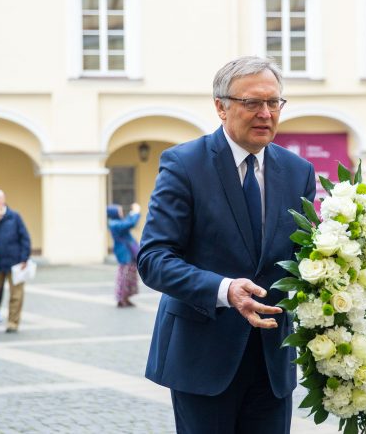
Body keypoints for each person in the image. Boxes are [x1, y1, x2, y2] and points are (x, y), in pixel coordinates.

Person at [138, 56, 316, 434]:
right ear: (221, 107)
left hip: (273, 360)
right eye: (252, 103)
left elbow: (304, 259)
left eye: (274, 102)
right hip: (202, 356)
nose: (265, 113)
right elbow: (154, 259)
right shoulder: (184, 164)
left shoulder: (299, 171)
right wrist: (225, 290)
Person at [0, 189, 31, 333]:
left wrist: (24, 258)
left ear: (4, 199)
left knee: (16, 295)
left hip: (15, 262)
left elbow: (25, 238)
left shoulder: (14, 216)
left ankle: (13, 324)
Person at [107, 202, 141, 308]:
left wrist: (132, 213)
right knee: (125, 277)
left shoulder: (116, 222)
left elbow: (127, 222)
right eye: (119, 210)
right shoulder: (114, 224)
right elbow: (129, 224)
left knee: (130, 276)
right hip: (124, 253)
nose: (121, 212)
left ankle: (126, 298)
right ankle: (121, 299)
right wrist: (136, 212)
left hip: (128, 253)